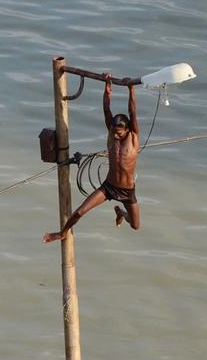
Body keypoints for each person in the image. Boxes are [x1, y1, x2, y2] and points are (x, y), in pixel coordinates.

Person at [43, 75, 141, 243]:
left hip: (127, 191)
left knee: (135, 225)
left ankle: (120, 212)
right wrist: (107, 86)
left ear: (127, 130)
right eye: (114, 132)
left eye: (119, 133)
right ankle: (62, 232)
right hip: (109, 187)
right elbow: (106, 110)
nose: (116, 136)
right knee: (80, 211)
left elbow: (132, 111)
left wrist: (131, 88)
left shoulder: (133, 137)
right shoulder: (111, 133)